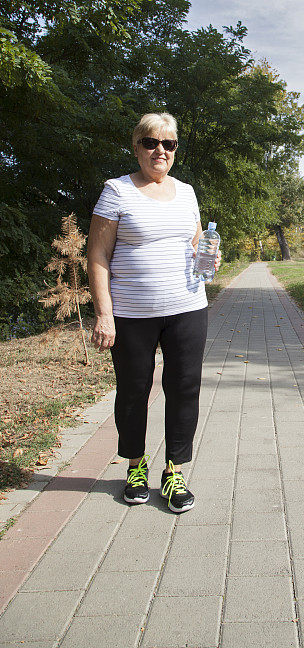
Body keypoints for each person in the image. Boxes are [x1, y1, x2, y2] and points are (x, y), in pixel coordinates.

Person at [87, 112, 220, 513]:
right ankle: (135, 466)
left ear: (175, 150)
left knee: (184, 389)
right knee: (133, 391)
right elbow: (97, 255)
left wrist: (210, 255)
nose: (159, 150)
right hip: (130, 315)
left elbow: (198, 245)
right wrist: (104, 314)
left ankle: (175, 470)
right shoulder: (117, 191)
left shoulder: (187, 192)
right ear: (137, 147)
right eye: (150, 142)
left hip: (187, 309)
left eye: (168, 144)